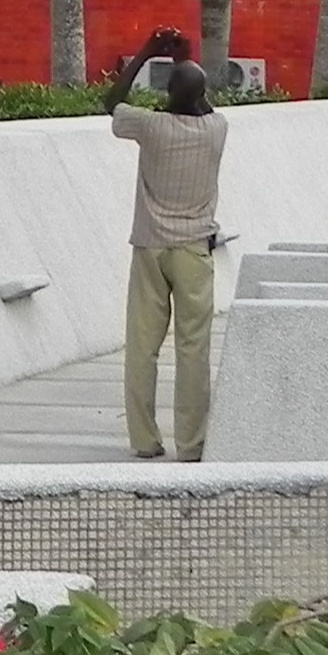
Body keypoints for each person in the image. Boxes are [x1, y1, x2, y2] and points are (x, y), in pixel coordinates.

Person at [109, 25, 225, 462]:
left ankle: (145, 440)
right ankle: (191, 445)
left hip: (150, 247)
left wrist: (145, 54)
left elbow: (111, 103)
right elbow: (200, 99)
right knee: (194, 348)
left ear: (167, 93)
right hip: (194, 249)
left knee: (143, 347)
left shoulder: (151, 126)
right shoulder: (217, 129)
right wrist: (183, 59)